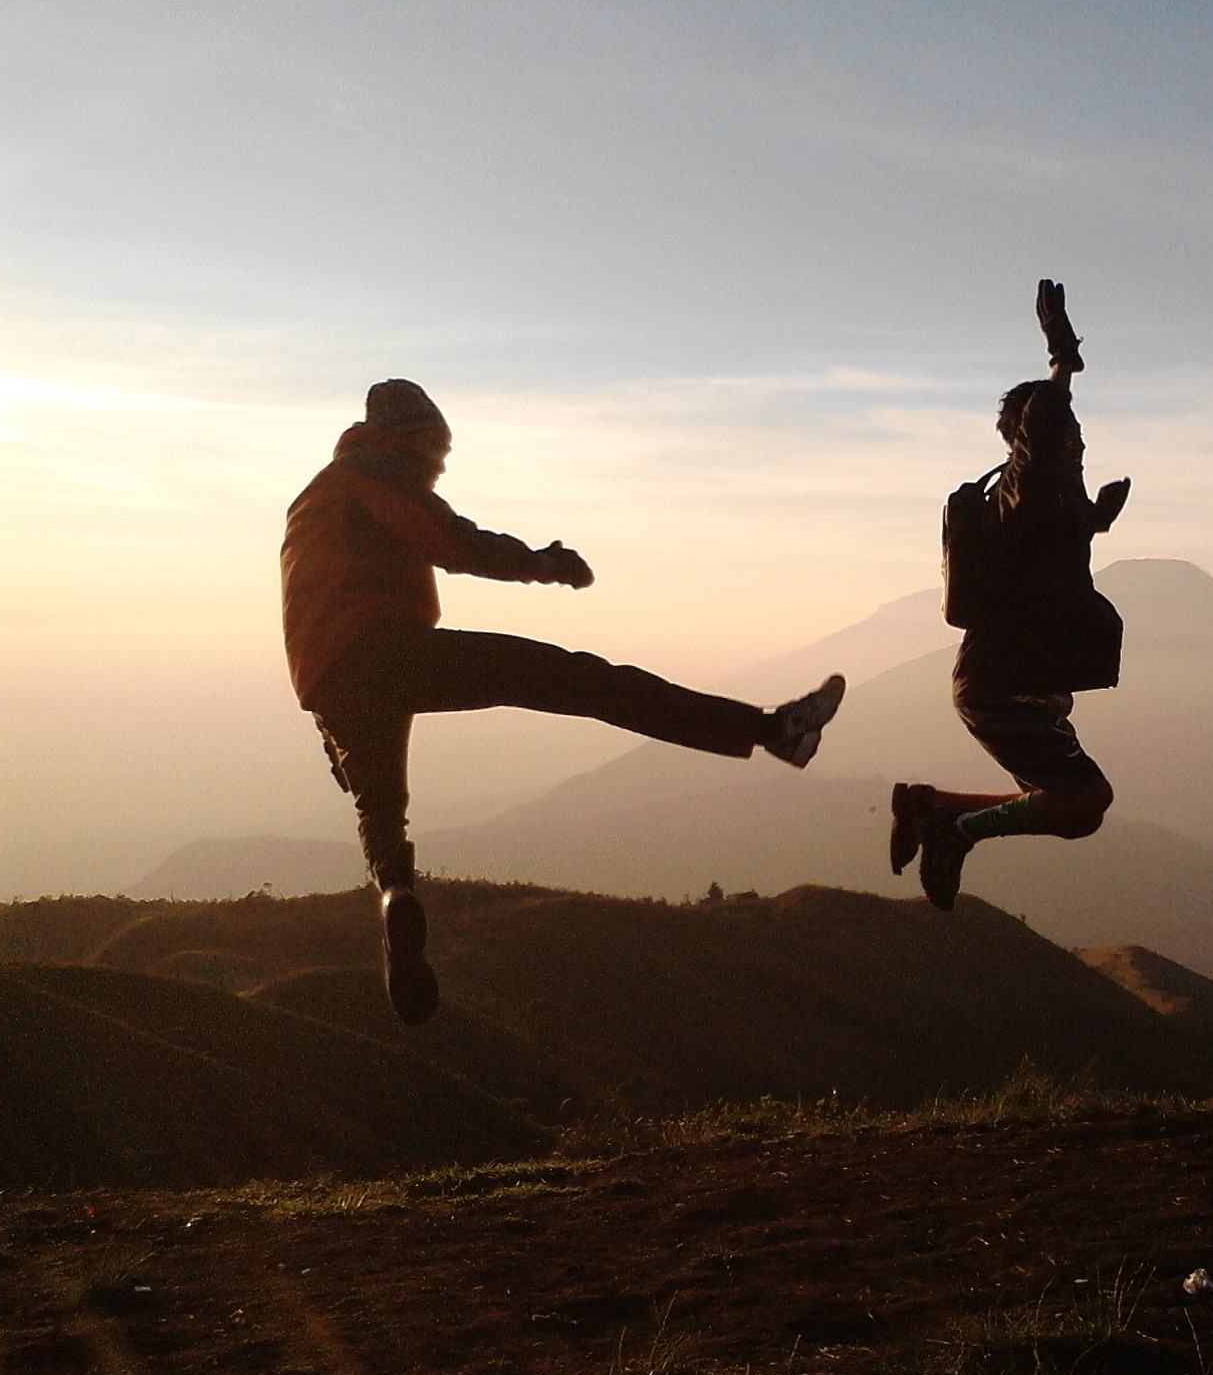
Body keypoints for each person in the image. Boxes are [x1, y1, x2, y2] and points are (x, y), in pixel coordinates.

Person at [282, 379, 844, 1024]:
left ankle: (396, 903)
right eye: (436, 455)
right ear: (416, 438)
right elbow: (453, 541)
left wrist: (333, 734)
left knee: (380, 809)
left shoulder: (315, 497)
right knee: (578, 680)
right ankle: (775, 731)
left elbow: (311, 615)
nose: (438, 470)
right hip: (383, 651)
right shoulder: (376, 470)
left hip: (328, 681)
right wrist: (543, 564)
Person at [889, 281, 1131, 910]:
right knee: (1084, 803)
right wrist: (1061, 364)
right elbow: (1044, 432)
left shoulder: (1034, 506)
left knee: (1073, 806)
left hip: (1016, 685)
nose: (1078, 444)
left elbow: (1039, 559)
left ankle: (935, 810)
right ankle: (952, 826)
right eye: (1069, 434)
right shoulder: (1027, 488)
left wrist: (1095, 520)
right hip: (999, 687)